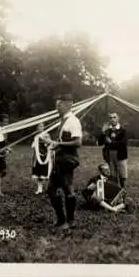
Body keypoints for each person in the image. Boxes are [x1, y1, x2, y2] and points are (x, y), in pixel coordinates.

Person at [46, 94, 83, 230]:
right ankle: (63, 220)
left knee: (66, 188)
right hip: (60, 158)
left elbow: (78, 142)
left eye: (59, 104)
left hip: (68, 159)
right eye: (56, 105)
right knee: (52, 190)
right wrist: (52, 143)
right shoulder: (64, 120)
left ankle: (69, 221)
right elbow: (61, 141)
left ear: (69, 104)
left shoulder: (73, 121)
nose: (57, 107)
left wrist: (58, 144)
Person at [97, 112, 128, 187]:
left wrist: (111, 142)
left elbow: (123, 143)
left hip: (120, 155)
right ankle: (114, 193)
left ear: (118, 119)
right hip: (109, 156)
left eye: (114, 117)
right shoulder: (107, 131)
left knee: (122, 176)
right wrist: (102, 132)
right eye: (110, 118)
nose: (112, 119)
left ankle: (123, 193)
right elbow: (100, 143)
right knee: (112, 176)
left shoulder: (122, 130)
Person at [31, 122, 51, 195]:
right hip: (37, 156)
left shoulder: (46, 135)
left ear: (44, 127)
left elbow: (49, 144)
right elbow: (33, 146)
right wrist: (35, 143)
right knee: (38, 172)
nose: (40, 128)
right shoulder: (36, 136)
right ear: (37, 128)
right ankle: (39, 189)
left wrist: (45, 141)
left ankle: (48, 188)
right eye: (39, 127)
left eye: (42, 126)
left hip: (45, 156)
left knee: (44, 172)